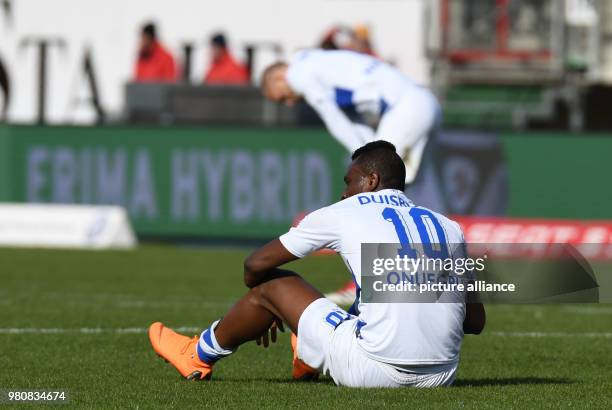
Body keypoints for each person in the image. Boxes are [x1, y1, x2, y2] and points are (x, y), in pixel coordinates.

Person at [149, 141, 486, 388]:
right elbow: (474, 321)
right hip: (442, 376)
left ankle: (198, 354)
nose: (343, 192)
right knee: (368, 301)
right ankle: (309, 351)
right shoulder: (447, 226)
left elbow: (253, 266)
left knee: (273, 284)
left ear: (370, 181)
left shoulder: (345, 212)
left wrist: (271, 306)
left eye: (348, 181)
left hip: (372, 370)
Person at [261, 49, 443, 303]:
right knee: (419, 195)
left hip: (407, 108)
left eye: (282, 99)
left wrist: (362, 155)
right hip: (426, 103)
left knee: (378, 190)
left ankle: (364, 281)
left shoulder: (299, 73)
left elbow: (332, 117)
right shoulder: (315, 62)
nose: (290, 103)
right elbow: (353, 117)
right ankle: (440, 275)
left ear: (279, 77)